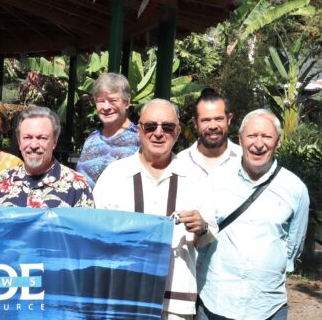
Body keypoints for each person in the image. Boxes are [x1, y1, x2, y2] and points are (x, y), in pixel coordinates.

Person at [93, 99, 215, 320]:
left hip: (175, 301)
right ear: (139, 130)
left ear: (177, 132)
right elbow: (96, 235)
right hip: (122, 298)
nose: (158, 133)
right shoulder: (114, 175)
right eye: (150, 126)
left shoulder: (195, 178)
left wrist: (201, 227)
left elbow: (208, 237)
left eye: (167, 127)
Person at [197, 109, 309, 320]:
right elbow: (202, 237)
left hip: (267, 307)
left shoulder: (295, 189)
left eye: (266, 136)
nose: (259, 144)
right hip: (216, 302)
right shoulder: (216, 180)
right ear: (240, 139)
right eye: (252, 135)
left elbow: (293, 247)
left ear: (278, 141)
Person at [0, 106, 94, 208]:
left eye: (42, 138)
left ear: (54, 142)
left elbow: (86, 228)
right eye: (27, 137)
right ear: (19, 142)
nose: (34, 145)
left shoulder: (77, 186)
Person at [76, 73, 140, 187]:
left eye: (112, 100)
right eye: (101, 101)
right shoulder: (91, 139)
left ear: (127, 102)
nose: (106, 107)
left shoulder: (140, 138)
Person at [177, 88, 241, 178]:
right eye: (206, 120)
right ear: (195, 123)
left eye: (219, 119)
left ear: (229, 119)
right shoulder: (180, 163)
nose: (213, 126)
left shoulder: (244, 160)